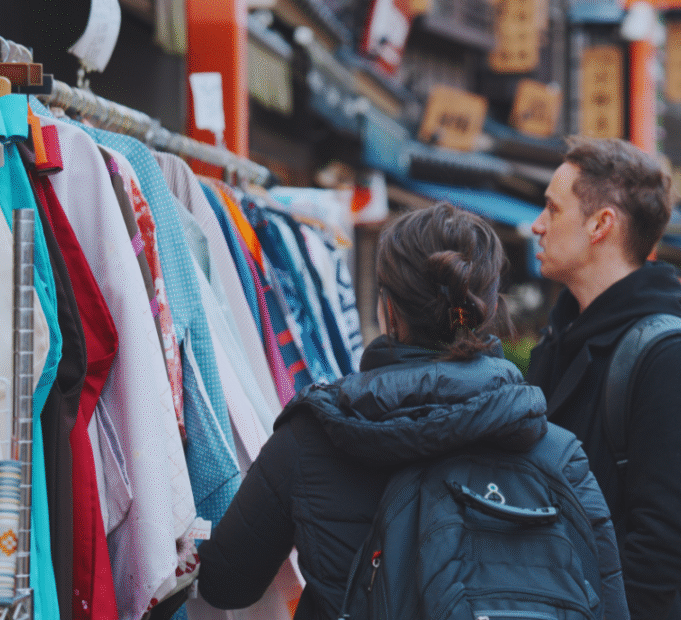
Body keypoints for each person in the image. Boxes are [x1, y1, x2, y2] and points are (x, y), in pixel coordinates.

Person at [195, 203, 628, 620]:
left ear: (388, 308)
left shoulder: (314, 433)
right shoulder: (559, 455)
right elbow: (609, 603)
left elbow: (226, 583)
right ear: (491, 308)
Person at [526, 137, 681, 620]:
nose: (537, 225)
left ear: (601, 224)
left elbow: (668, 547)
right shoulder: (560, 338)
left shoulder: (670, 356)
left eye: (553, 209)